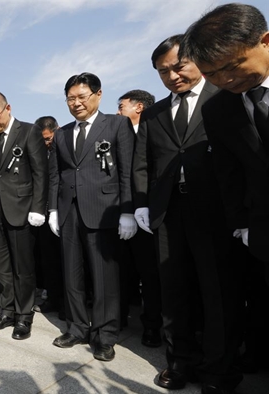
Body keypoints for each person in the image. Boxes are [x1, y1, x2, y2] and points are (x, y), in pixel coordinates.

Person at [133, 34, 243, 392]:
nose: (172, 76)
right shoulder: (153, 114)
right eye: (163, 72)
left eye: (178, 66)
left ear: (195, 59)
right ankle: (179, 363)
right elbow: (141, 165)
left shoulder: (226, 98)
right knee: (173, 291)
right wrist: (141, 206)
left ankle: (219, 371)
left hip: (215, 211)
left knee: (217, 294)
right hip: (168, 212)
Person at [48, 72, 136, 361]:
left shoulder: (116, 124)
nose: (76, 103)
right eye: (70, 99)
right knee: (71, 275)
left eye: (82, 97)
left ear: (98, 95)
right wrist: (51, 209)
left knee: (104, 277)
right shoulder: (61, 133)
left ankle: (105, 334)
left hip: (103, 210)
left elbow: (126, 170)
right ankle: (76, 328)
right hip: (68, 211)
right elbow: (56, 175)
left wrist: (127, 211)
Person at [181, 3, 269, 279]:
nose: (225, 79)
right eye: (212, 74)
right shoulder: (217, 109)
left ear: (265, 42)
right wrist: (242, 223)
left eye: (232, 66)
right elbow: (229, 170)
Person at [0, 91, 47, 340]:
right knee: (2, 267)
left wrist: (39, 208)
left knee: (23, 267)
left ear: (7, 107)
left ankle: (24, 315)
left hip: (21, 209)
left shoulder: (29, 131)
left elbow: (41, 173)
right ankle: (6, 311)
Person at [116, 89, 161, 343]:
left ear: (139, 107)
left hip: (146, 214)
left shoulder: (154, 130)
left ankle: (152, 325)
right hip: (119, 214)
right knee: (119, 271)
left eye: (122, 106)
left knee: (149, 273)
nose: (118, 112)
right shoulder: (114, 134)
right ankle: (118, 316)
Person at [30, 116, 64, 320]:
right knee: (48, 259)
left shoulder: (64, 147)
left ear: (56, 130)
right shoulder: (40, 152)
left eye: (48, 138)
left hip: (63, 210)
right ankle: (53, 296)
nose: (46, 143)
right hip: (43, 213)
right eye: (42, 139)